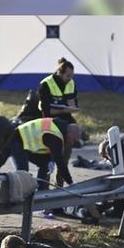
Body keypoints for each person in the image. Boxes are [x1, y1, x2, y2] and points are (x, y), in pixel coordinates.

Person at [38, 58, 81, 186]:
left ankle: (60, 185)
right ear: (59, 73)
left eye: (72, 76)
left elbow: (72, 105)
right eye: (67, 76)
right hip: (49, 123)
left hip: (66, 122)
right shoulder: (45, 84)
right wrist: (64, 109)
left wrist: (68, 109)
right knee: (48, 161)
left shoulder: (71, 83)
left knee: (64, 159)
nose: (70, 79)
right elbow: (47, 111)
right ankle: (43, 187)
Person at [10, 117, 81, 190]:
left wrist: (49, 160)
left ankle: (40, 190)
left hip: (25, 143)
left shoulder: (58, 129)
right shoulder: (56, 135)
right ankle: (18, 194)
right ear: (70, 132)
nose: (72, 143)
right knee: (23, 172)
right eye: (73, 140)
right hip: (16, 140)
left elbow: (47, 145)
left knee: (45, 165)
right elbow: (60, 163)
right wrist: (71, 183)